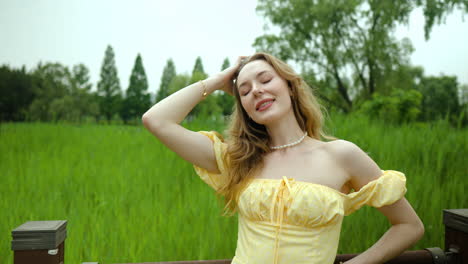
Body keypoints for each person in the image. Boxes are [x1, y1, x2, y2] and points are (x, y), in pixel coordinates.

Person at [142, 52, 424, 264]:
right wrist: (217, 81)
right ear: (245, 109)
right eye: (244, 91)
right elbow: (156, 120)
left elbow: (409, 226)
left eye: (265, 80)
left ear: (289, 86)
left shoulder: (342, 155)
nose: (257, 90)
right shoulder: (237, 158)